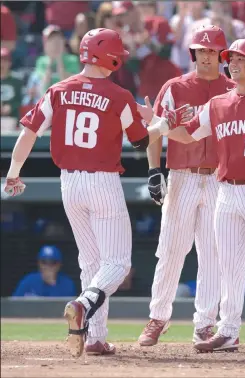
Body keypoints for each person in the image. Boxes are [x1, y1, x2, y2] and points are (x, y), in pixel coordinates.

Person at [3, 28, 179, 358]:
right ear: (108, 57)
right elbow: (142, 142)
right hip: (102, 183)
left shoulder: (58, 89)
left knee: (91, 262)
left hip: (68, 183)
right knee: (117, 263)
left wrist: (13, 172)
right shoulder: (119, 95)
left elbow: (29, 131)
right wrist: (163, 124)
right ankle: (83, 304)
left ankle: (96, 338)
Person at [148, 38, 245, 353]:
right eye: (230, 59)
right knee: (229, 266)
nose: (232, 64)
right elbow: (188, 134)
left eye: (239, 59)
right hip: (226, 193)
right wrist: (159, 125)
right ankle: (229, 330)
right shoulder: (218, 104)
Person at [137, 25, 235, 348]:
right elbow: (154, 129)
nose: (205, 56)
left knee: (213, 254)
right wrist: (154, 170)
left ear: (221, 55)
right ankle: (158, 317)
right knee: (170, 249)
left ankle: (205, 324)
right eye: (201, 50)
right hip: (183, 175)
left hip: (219, 179)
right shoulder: (175, 87)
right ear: (192, 53)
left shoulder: (234, 89)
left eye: (211, 51)